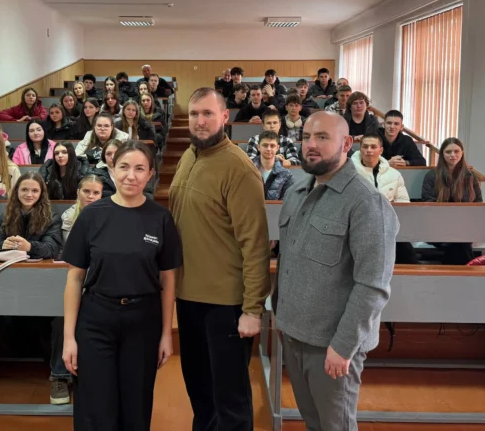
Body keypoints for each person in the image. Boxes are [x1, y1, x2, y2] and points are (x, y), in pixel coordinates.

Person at [274, 112, 397, 431]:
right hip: (295, 335)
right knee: (313, 422)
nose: (310, 145)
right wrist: (282, 317)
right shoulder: (296, 193)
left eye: (322, 137)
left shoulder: (366, 202)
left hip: (332, 346)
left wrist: (343, 346)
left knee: (335, 426)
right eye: (306, 137)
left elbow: (373, 286)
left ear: (346, 144)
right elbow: (289, 262)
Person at [61, 141, 182, 430]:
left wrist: (166, 334)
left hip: (143, 321)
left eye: (140, 169)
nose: (131, 175)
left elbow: (168, 280)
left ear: (150, 174)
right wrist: (68, 338)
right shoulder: (91, 216)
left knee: (136, 404)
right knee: (96, 406)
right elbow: (75, 278)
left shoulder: (161, 218)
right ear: (112, 169)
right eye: (124, 167)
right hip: (96, 319)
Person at [169, 88, 270, 431]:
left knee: (230, 399)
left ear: (225, 117)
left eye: (208, 113)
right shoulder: (188, 156)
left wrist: (252, 309)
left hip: (226, 304)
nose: (200, 121)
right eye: (194, 114)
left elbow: (255, 244)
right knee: (200, 392)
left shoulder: (239, 168)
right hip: (189, 298)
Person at [49, 174, 105, 406]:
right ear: (78, 193)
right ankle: (59, 376)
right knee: (61, 318)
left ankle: (93, 376)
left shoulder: (107, 216)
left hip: (98, 283)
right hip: (69, 280)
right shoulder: (66, 218)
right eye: (86, 192)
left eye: (96, 193)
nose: (91, 197)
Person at [351, 133, 416, 264]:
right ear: (360, 149)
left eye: (373, 147)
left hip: (387, 225)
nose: (369, 150)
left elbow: (404, 203)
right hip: (358, 226)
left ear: (380, 150)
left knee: (408, 255)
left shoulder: (394, 174)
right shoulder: (349, 173)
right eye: (365, 146)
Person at [421, 137, 483, 265]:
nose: (452, 155)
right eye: (448, 152)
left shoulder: (470, 177)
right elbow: (428, 204)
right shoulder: (432, 176)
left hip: (464, 225)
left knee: (459, 239)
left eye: (456, 151)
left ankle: (453, 272)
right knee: (458, 241)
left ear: (462, 153)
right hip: (438, 226)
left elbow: (478, 203)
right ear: (442, 154)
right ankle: (466, 271)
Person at [0, 172, 64, 259]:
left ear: (41, 193)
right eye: (24, 190)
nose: (29, 195)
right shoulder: (5, 217)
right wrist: (2, 245)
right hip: (10, 265)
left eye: (35, 191)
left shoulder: (52, 219)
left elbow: (52, 249)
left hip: (39, 266)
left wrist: (30, 247)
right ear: (17, 191)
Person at [253, 131, 295, 200]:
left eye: (272, 146)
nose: (268, 149)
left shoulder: (286, 175)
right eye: (265, 145)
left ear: (277, 148)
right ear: (258, 147)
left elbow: (287, 201)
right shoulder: (248, 170)